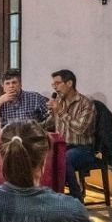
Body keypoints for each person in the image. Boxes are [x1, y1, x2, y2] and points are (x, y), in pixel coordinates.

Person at [43, 69, 97, 200]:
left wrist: (60, 111)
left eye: (58, 83)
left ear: (69, 83)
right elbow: (50, 123)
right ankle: (49, 196)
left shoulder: (86, 104)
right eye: (53, 84)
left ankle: (76, 198)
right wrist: (38, 124)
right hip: (62, 145)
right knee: (40, 154)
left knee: (64, 158)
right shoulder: (59, 101)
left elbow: (80, 129)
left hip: (83, 148)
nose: (55, 87)